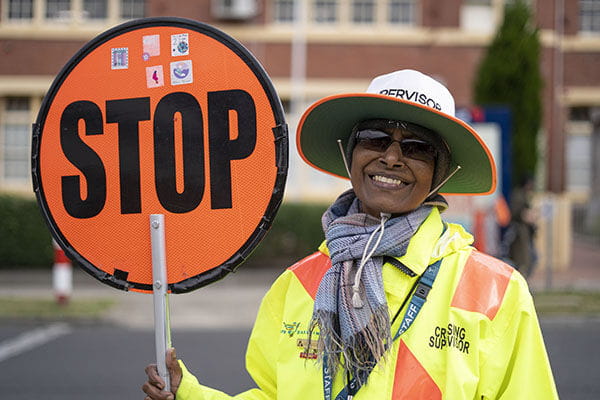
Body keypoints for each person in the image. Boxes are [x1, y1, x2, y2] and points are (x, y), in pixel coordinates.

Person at [142, 69, 558, 399]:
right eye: (375, 138)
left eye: (416, 147)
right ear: (350, 153)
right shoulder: (297, 286)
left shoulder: (497, 292)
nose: (391, 157)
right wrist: (189, 395)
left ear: (441, 172)